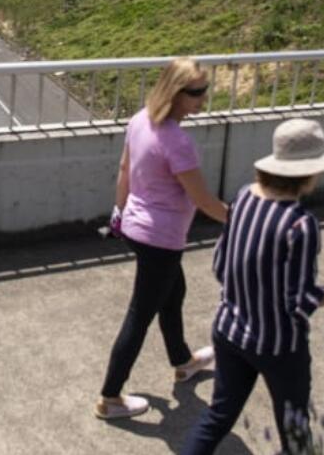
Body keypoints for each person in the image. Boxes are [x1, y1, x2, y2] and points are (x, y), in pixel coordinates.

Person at [181, 118, 324, 454]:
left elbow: (220, 264)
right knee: (295, 432)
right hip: (278, 347)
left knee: (218, 416)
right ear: (310, 171)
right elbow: (300, 302)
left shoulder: (243, 197)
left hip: (228, 331)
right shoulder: (301, 224)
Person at [96, 57, 229, 421]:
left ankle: (182, 361)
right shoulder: (177, 141)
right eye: (198, 92)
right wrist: (245, 219)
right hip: (160, 237)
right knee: (140, 316)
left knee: (174, 292)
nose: (204, 98)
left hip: (136, 228)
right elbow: (203, 201)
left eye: (205, 89)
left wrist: (118, 213)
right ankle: (109, 397)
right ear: (176, 93)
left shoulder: (140, 119)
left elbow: (124, 169)